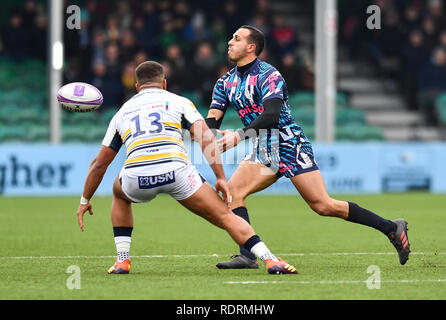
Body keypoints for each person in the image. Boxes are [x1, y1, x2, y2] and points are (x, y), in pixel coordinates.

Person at [205, 25, 411, 269]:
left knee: (323, 206)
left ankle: (391, 227)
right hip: (262, 147)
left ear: (251, 47)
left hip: (288, 142)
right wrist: (213, 133)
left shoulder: (269, 76)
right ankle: (248, 256)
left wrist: (238, 136)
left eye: (236, 38)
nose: (229, 42)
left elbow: (271, 116)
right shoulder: (225, 82)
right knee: (232, 194)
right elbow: (212, 121)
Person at [75, 60, 298, 275]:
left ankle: (122, 261)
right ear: (164, 83)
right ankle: (270, 259)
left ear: (136, 87)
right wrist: (220, 177)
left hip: (137, 176)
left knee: (119, 193)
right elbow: (205, 139)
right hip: (177, 173)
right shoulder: (179, 102)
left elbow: (99, 164)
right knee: (225, 216)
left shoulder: (122, 112)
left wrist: (85, 200)